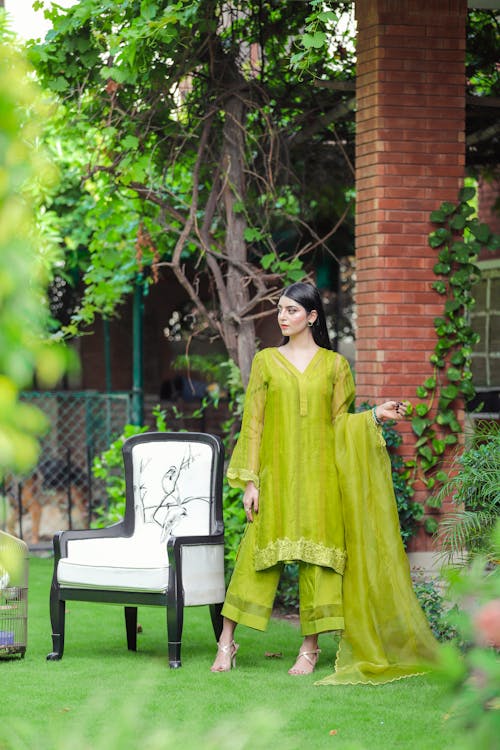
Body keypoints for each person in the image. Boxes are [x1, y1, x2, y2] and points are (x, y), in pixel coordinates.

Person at [210, 282, 438, 683]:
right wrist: (250, 481)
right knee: (255, 557)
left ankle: (309, 649)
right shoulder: (266, 361)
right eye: (280, 310)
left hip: (320, 479)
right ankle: (226, 641)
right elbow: (254, 424)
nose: (283, 316)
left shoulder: (335, 367)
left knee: (319, 562)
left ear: (312, 317)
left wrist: (374, 416)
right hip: (276, 477)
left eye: (292, 310)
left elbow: (339, 425)